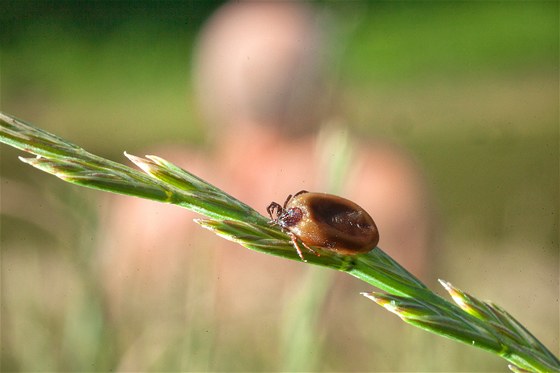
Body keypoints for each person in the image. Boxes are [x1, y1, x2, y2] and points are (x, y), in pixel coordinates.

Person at [96, 2, 436, 369]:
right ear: (325, 88)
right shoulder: (380, 182)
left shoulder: (150, 199)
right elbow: (426, 320)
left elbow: (108, 321)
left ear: (206, 95)